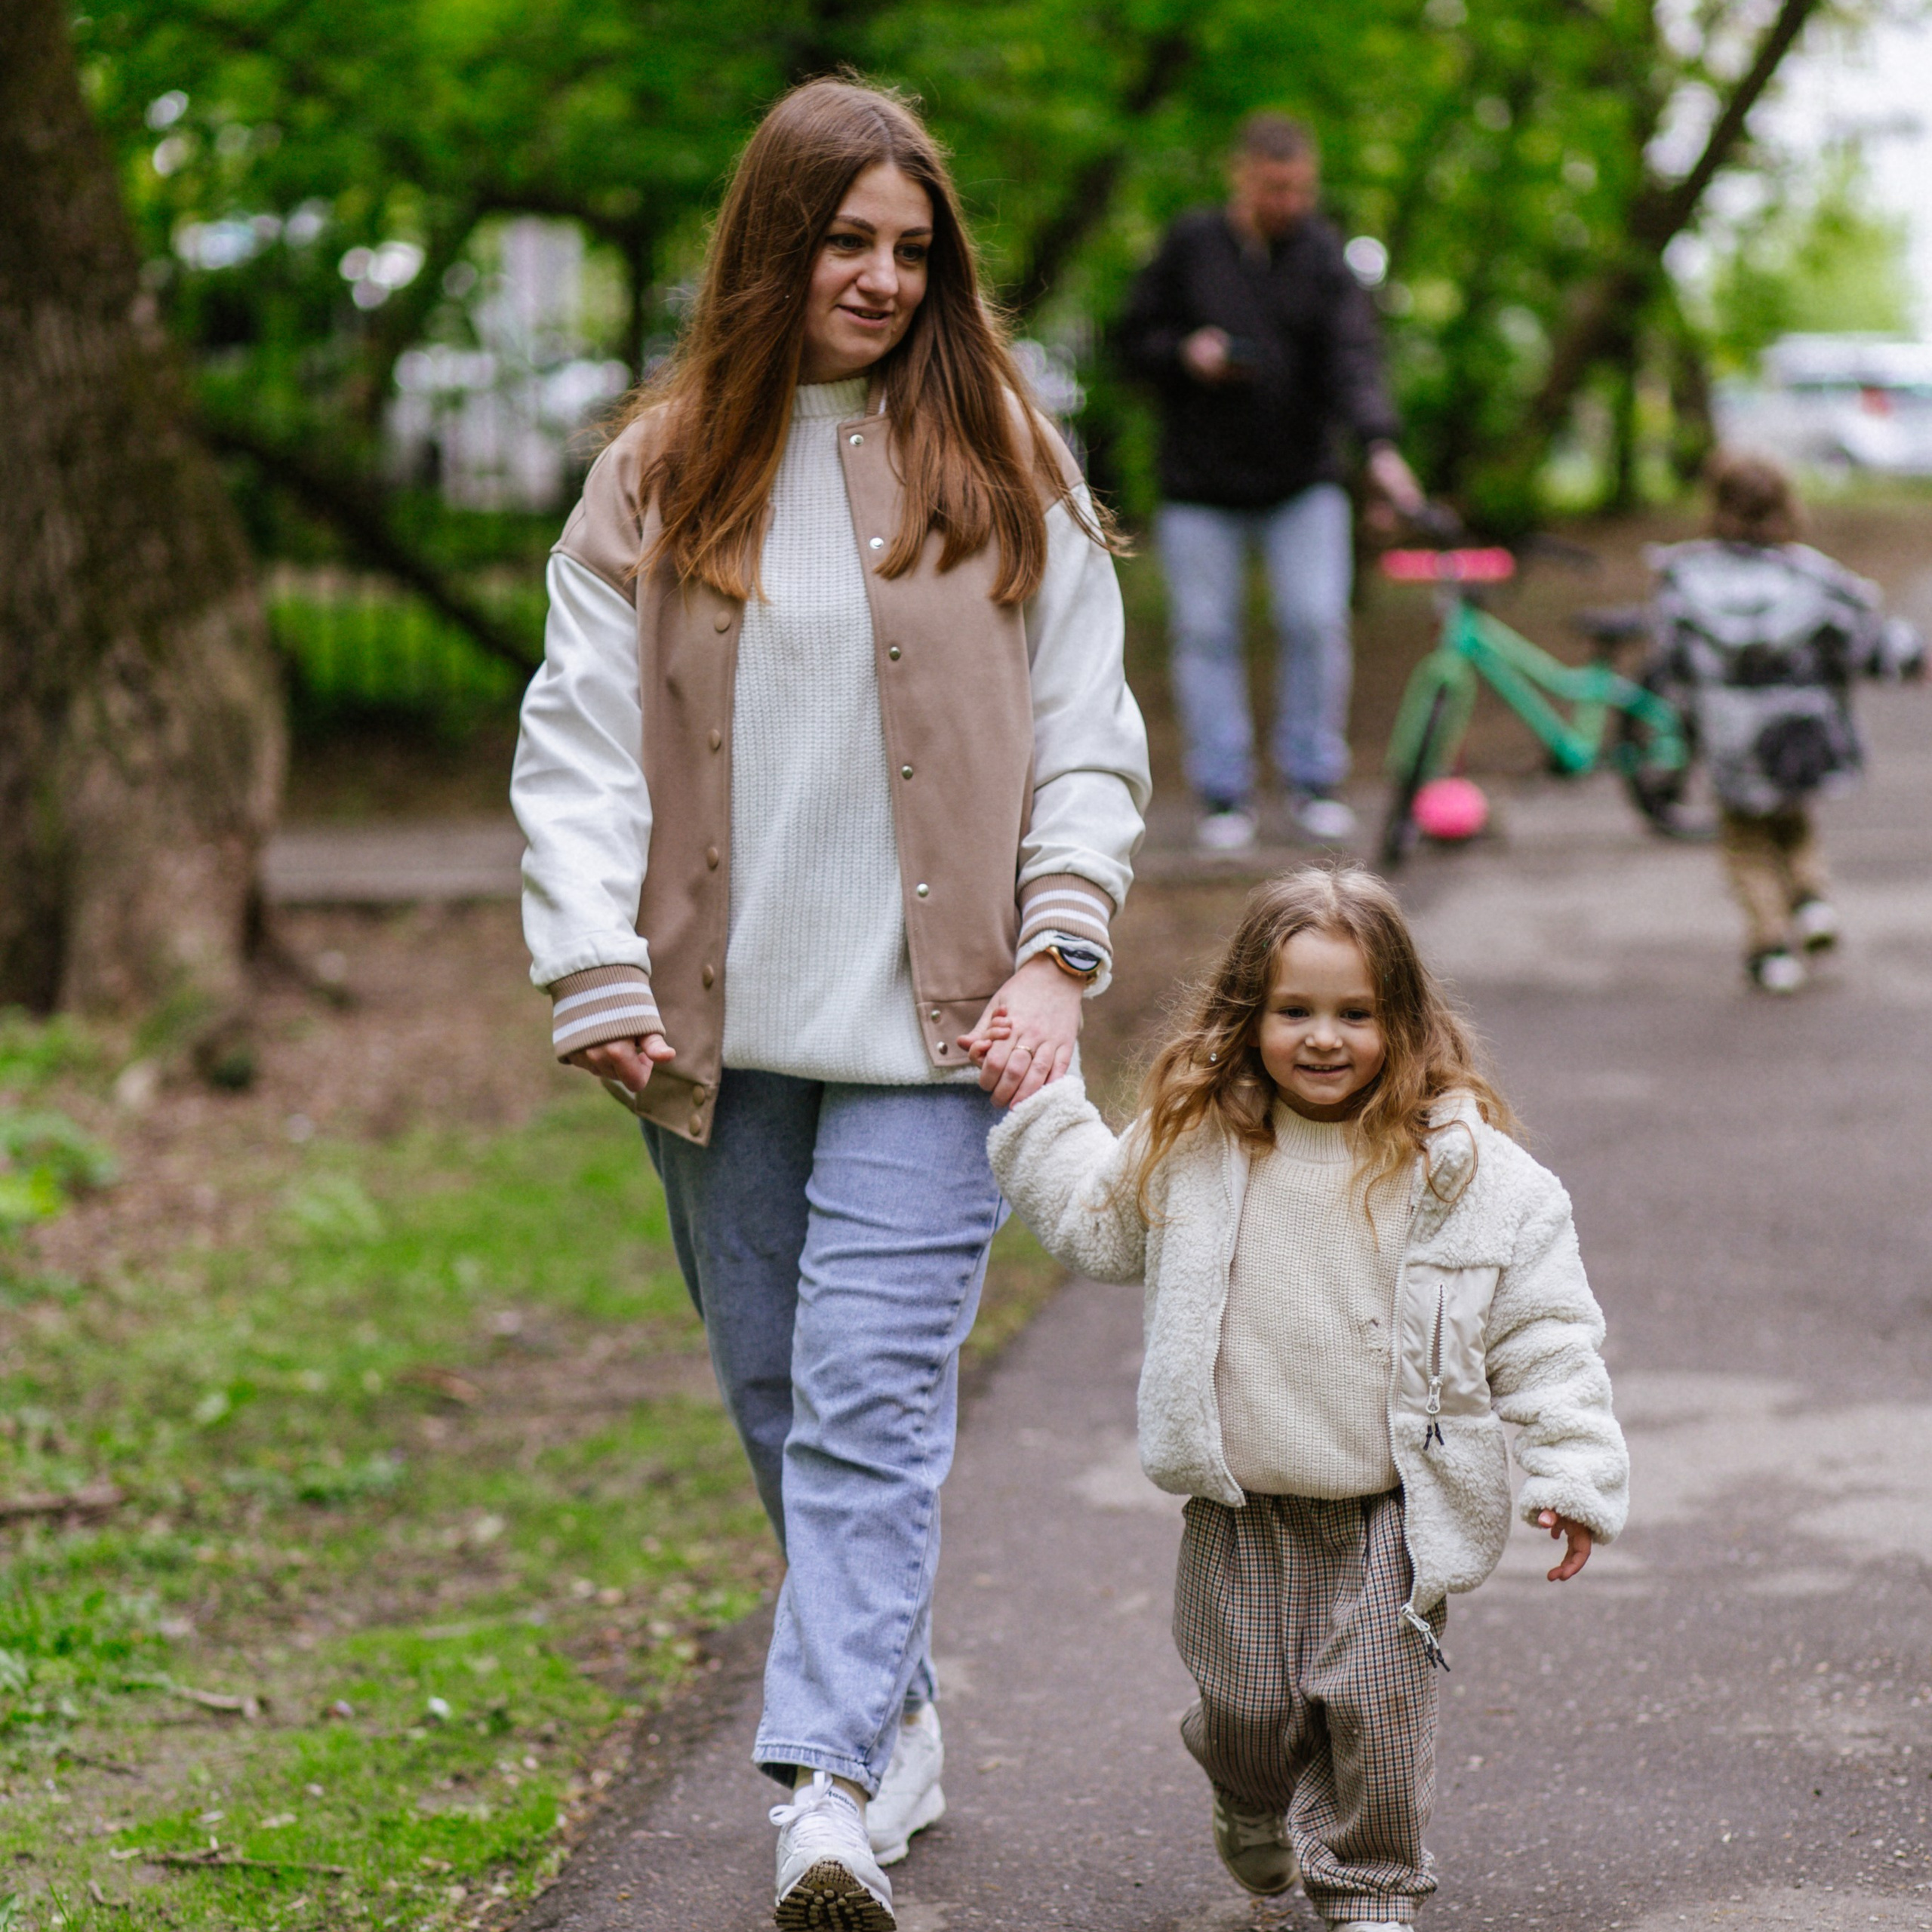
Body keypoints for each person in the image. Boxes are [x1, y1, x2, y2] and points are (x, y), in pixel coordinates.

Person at [511, 77, 1149, 1930]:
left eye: (907, 248)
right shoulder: (656, 467)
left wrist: (1055, 948)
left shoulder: (1002, 452)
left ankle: (823, 1793)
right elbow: (574, 740)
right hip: (708, 1027)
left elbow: (1087, 742)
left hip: (938, 1030)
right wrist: (590, 957)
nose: (877, 278)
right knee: (777, 1390)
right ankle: (892, 1698)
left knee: (870, 1401)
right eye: (843, 242)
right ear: (770, 246)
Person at [980, 864, 1627, 1927]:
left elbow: (1548, 1333)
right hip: (1245, 1510)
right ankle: (1247, 1799)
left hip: (1393, 1511)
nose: (1324, 1039)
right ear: (1249, 1015)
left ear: (1404, 1022)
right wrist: (1036, 1102)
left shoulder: (1473, 1178)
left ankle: (1370, 1892)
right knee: (1249, 1714)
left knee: (1375, 1709)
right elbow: (1097, 1227)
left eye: (1355, 1014)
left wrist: (1572, 1469)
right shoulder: (1199, 1142)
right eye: (1295, 1011)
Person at [1119, 113, 1426, 854]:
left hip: (1302, 481)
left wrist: (1380, 447)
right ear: (1241, 174)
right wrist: (1185, 353)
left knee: (1316, 619)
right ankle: (1224, 795)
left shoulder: (1322, 254)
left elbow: (1354, 357)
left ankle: (1312, 780)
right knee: (1205, 635)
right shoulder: (1190, 245)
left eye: (1298, 188)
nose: (1287, 200)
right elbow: (1131, 340)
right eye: (1273, 186)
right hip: (1199, 487)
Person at [1646, 451, 1923, 995]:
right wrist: (1911, 659)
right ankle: (1812, 900)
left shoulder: (1686, 579)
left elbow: (1669, 657)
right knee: (1795, 821)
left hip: (1729, 732)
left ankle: (1771, 947)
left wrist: (1676, 728)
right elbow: (1863, 638)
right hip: (1799, 730)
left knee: (1746, 841)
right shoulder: (1812, 578)